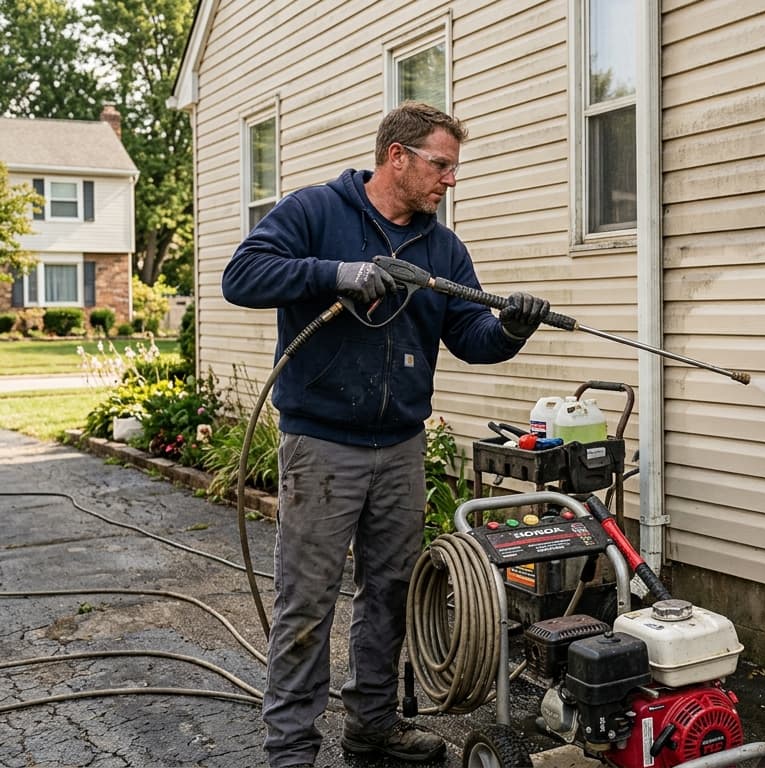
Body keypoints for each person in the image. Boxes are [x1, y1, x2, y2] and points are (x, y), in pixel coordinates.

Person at [221, 101, 549, 768]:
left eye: (454, 168)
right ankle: (290, 752)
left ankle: (372, 729)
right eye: (441, 164)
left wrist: (512, 326)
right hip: (322, 447)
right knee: (306, 603)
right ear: (396, 157)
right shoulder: (316, 212)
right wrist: (336, 273)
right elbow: (241, 277)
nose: (449, 179)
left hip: (400, 448)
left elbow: (472, 338)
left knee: (390, 596)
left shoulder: (442, 246)